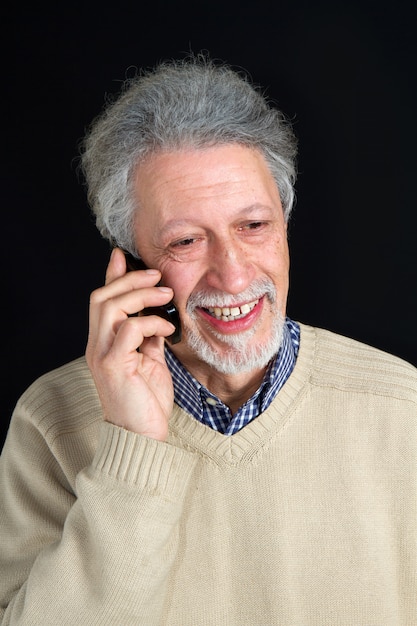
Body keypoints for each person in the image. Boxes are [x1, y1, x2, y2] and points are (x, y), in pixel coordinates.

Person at [1, 54, 416, 626]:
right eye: (186, 242)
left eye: (253, 226)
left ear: (285, 225)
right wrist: (133, 445)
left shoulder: (402, 407)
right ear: (130, 265)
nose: (235, 275)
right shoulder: (50, 419)